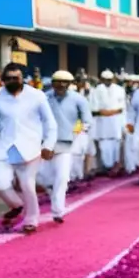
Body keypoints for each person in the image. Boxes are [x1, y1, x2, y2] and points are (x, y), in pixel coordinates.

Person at [0, 63, 57, 234]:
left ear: (23, 78)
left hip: (30, 146)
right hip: (5, 146)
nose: (11, 81)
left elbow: (49, 123)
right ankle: (17, 205)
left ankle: (31, 219)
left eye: (15, 78)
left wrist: (48, 145)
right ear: (3, 80)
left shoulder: (37, 96)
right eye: (7, 78)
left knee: (27, 184)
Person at [42, 71, 93, 223]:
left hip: (66, 143)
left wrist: (77, 133)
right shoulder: (43, 98)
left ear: (70, 84)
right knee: (43, 178)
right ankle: (51, 190)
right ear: (52, 82)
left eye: (65, 82)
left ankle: (58, 211)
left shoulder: (79, 99)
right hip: (43, 144)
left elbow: (87, 121)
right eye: (58, 81)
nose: (61, 85)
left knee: (63, 177)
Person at [91, 70, 127, 176]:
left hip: (116, 122)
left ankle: (116, 166)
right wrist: (105, 112)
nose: (108, 82)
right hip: (102, 123)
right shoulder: (96, 90)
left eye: (109, 80)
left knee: (116, 145)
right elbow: (94, 108)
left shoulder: (119, 90)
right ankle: (107, 167)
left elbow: (122, 107)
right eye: (105, 80)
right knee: (104, 146)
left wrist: (111, 112)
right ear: (101, 79)